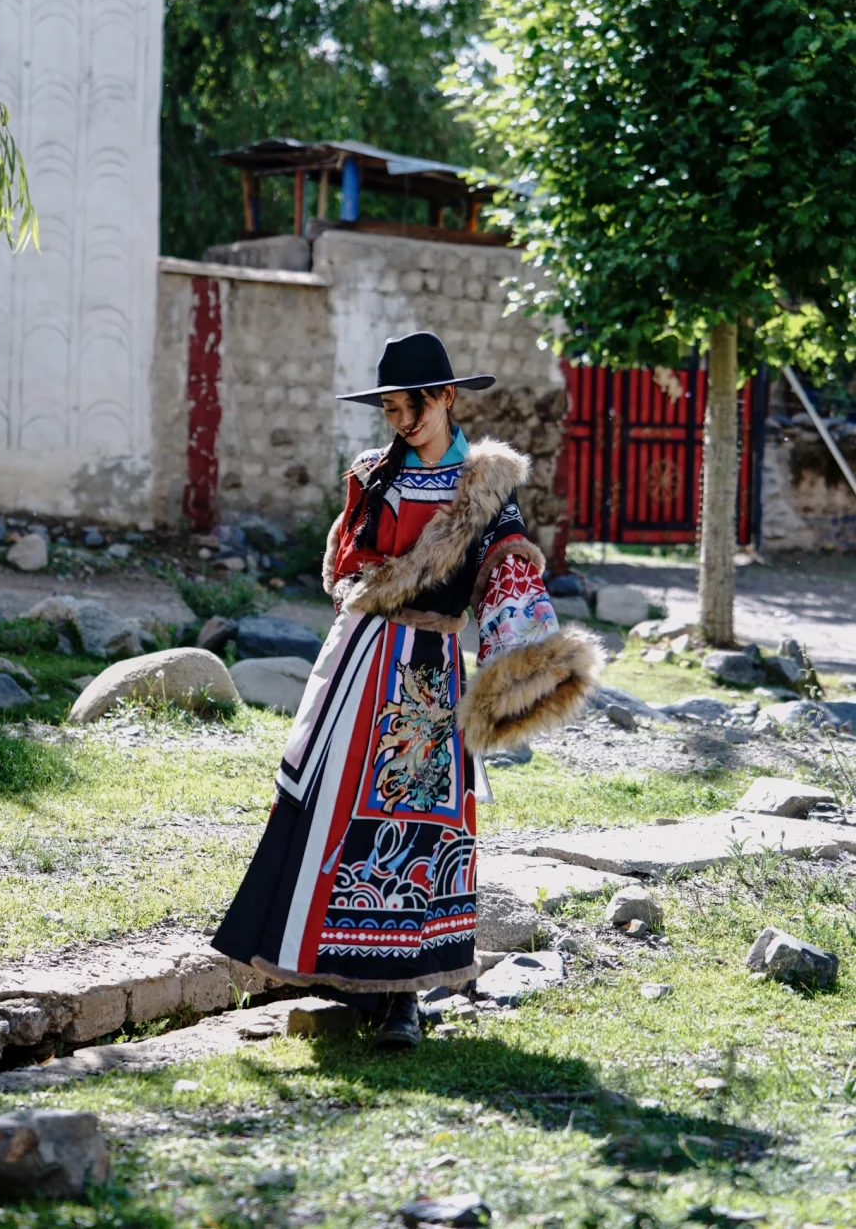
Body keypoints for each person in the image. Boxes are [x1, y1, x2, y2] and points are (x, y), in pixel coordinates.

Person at [212, 332, 598, 1048]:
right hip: (361, 663)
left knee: (416, 821)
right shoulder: (372, 473)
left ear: (447, 397)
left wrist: (527, 656)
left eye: (410, 407)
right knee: (329, 810)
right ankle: (341, 974)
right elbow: (346, 565)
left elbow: (508, 571)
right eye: (389, 409)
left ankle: (401, 1000)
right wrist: (371, 586)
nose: (399, 421)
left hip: (429, 672)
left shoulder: (483, 485)